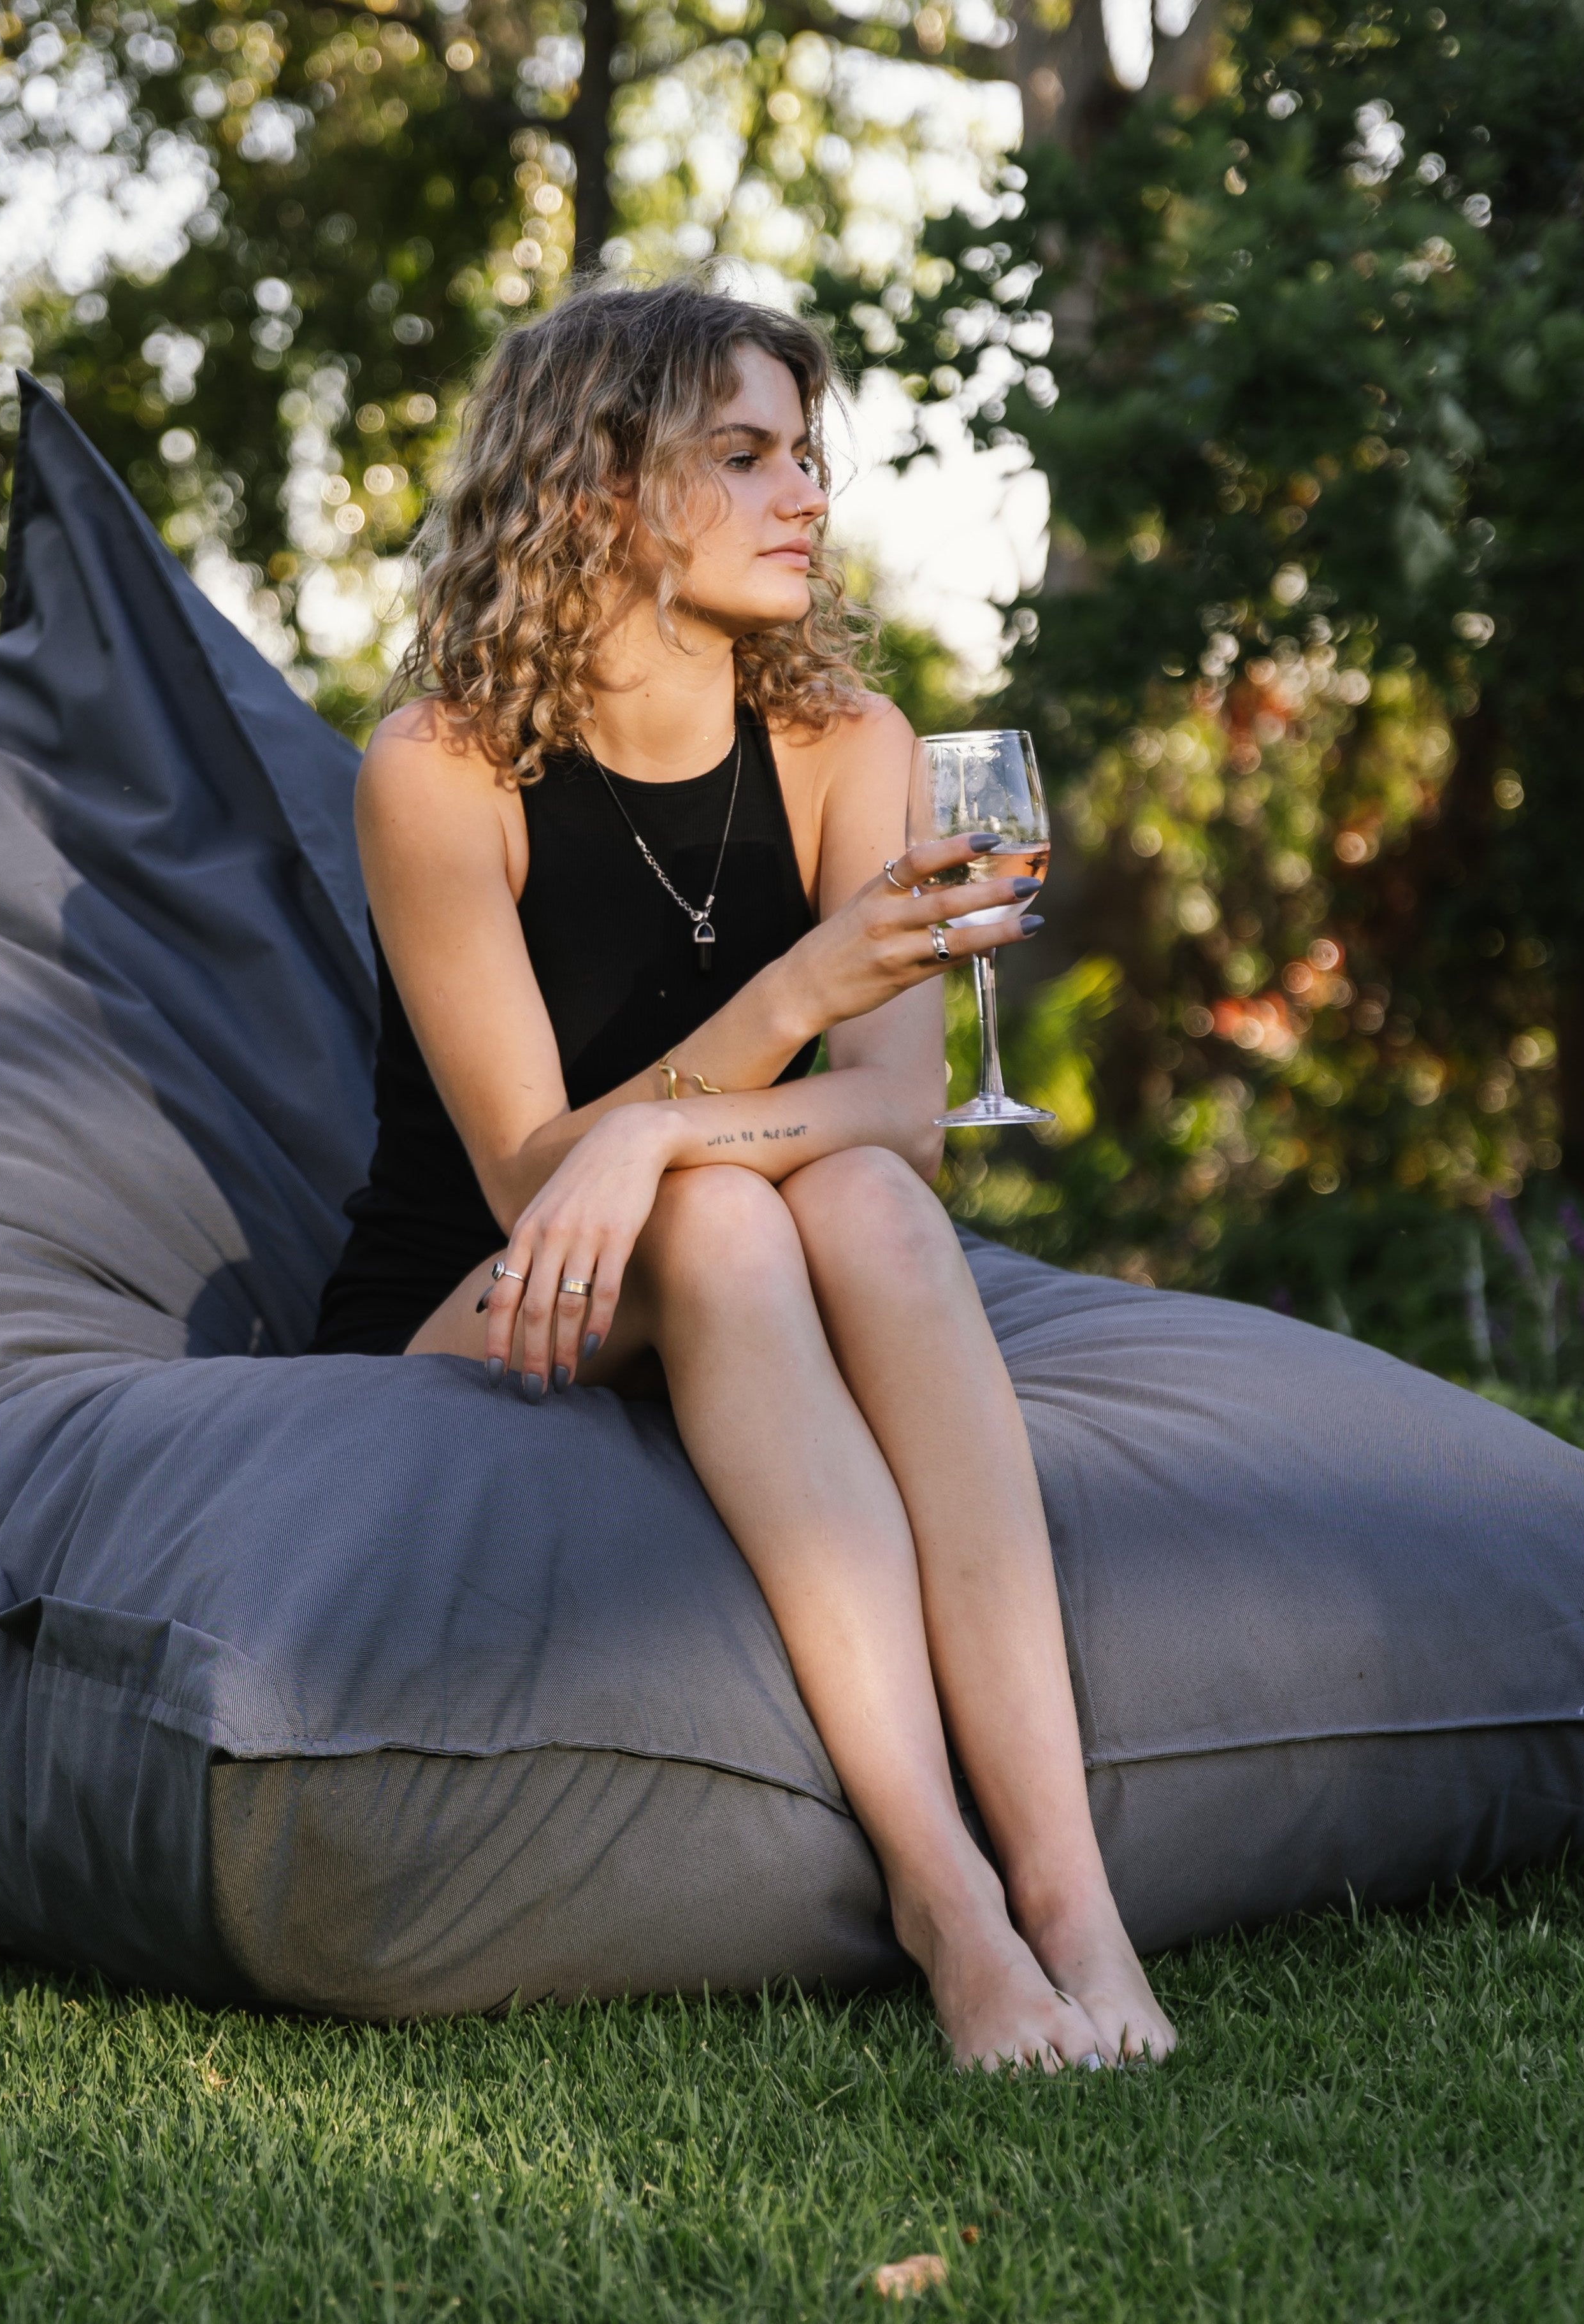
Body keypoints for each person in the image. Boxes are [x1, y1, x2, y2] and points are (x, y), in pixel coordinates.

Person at [310, 278, 1175, 2072]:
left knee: (850, 1204)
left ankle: (1074, 1897)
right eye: (746, 455)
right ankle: (946, 1901)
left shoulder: (852, 746)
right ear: (601, 484)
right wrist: (781, 1005)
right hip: (479, 1301)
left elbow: (904, 1122)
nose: (807, 492)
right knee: (715, 1213)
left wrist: (655, 1125)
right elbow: (532, 1182)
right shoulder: (443, 768)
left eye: (807, 454)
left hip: (743, 1246)